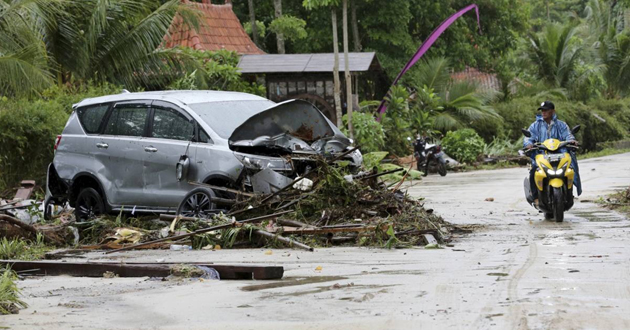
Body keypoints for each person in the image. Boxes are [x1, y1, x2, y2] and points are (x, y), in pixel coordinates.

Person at [523, 101, 582, 204]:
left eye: (546, 110)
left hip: (560, 153)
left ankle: (569, 193)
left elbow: (568, 135)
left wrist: (572, 140)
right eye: (542, 110)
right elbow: (529, 138)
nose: (544, 112)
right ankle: (536, 197)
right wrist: (528, 144)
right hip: (541, 154)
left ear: (553, 111)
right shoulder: (535, 126)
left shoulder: (561, 125)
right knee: (533, 171)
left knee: (570, 169)